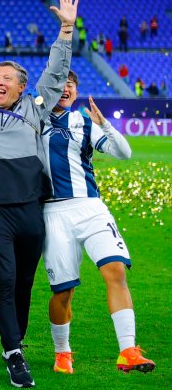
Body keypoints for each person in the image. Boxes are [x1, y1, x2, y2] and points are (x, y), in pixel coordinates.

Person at [0, 0, 79, 388]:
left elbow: (57, 74)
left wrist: (66, 29)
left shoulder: (34, 109)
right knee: (4, 280)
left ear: (23, 88)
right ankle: (14, 354)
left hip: (31, 208)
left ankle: (16, 339)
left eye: (6, 79)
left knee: (24, 281)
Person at [36, 72, 154, 374]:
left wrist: (104, 124)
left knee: (115, 271)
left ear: (75, 92)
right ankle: (62, 352)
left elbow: (124, 153)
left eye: (70, 86)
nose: (64, 90)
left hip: (91, 208)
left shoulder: (84, 122)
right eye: (59, 86)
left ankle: (128, 350)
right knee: (63, 292)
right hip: (54, 213)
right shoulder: (33, 119)